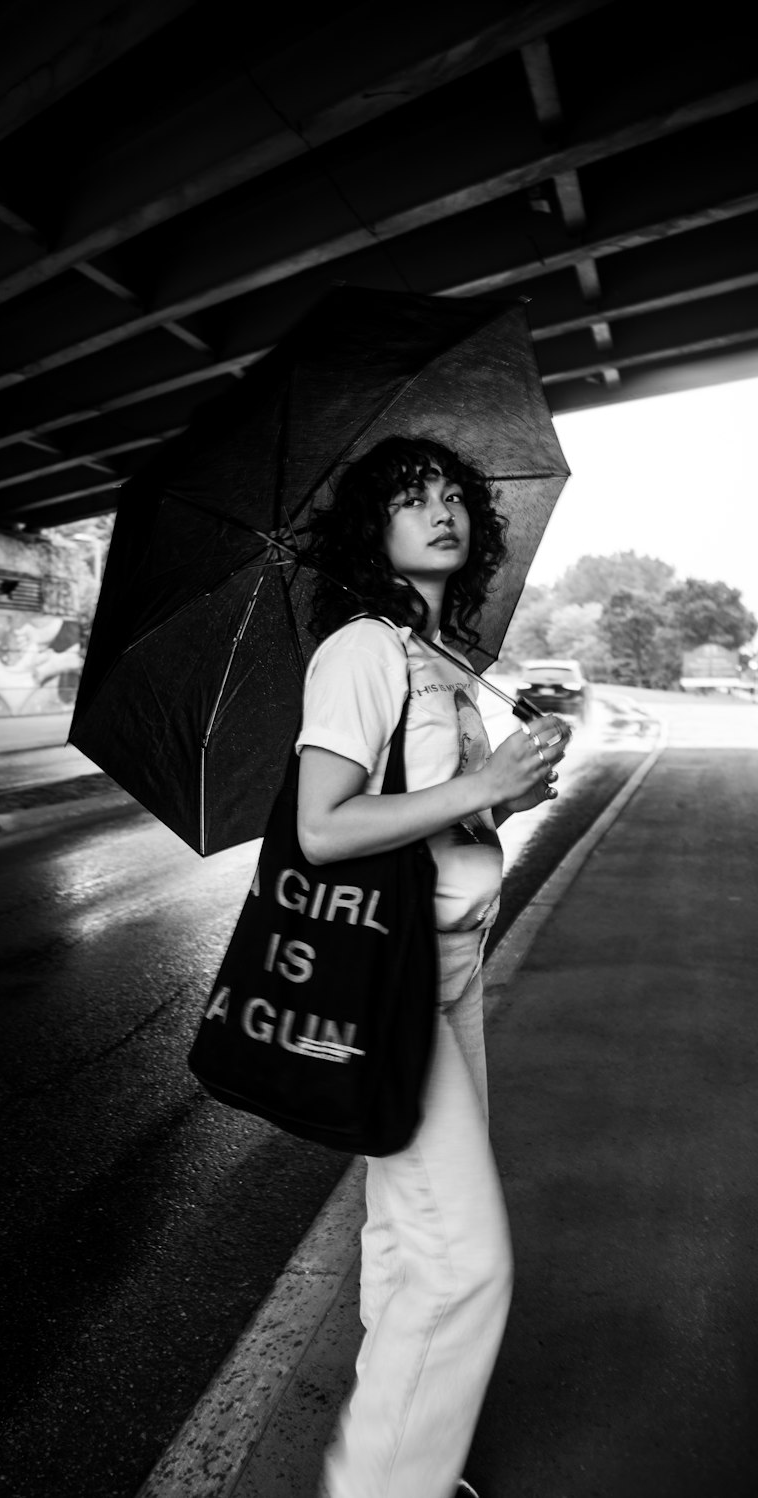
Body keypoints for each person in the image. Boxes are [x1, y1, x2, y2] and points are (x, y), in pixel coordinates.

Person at [296, 434, 571, 1498]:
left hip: (452, 961)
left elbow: (429, 818)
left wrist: (508, 793)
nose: (442, 509)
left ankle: (396, 1456)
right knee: (466, 1262)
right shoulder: (361, 650)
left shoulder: (447, 658)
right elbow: (325, 828)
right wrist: (477, 786)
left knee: (409, 1234)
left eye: (454, 495)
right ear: (375, 529)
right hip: (395, 975)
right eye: (412, 498)